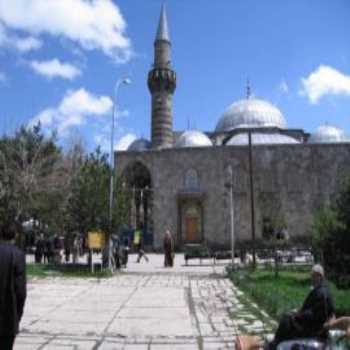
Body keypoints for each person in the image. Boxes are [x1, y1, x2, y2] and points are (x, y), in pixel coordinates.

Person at [267, 264, 335, 350]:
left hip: (313, 328)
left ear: (320, 276)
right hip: (314, 324)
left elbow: (314, 314)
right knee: (288, 318)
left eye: (314, 276)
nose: (312, 278)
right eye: (312, 276)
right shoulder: (324, 290)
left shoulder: (321, 293)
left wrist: (297, 314)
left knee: (286, 320)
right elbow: (326, 311)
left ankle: (275, 344)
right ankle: (278, 342)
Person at [0, 223, 27, 350]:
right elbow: (20, 290)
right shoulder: (18, 255)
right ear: (15, 236)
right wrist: (18, 314)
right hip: (8, 314)